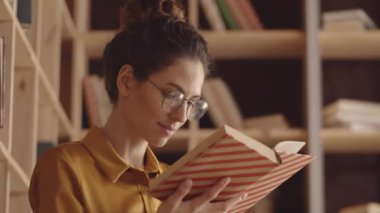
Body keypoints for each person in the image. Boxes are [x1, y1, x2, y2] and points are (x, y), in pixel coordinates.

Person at [28, 0, 247, 212]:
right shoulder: (64, 167)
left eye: (191, 103)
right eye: (173, 95)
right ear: (127, 81)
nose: (181, 116)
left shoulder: (175, 185)